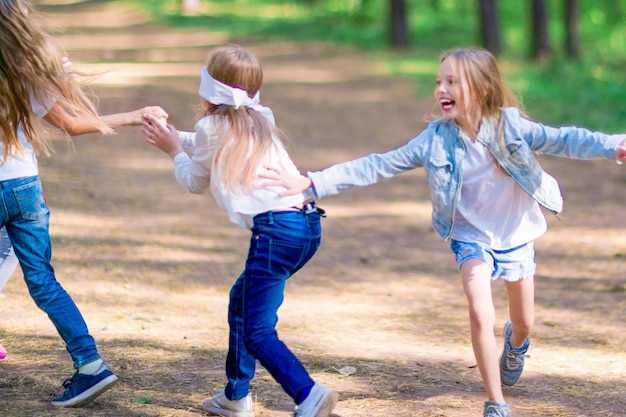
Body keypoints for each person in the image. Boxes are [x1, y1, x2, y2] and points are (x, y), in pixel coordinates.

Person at [261, 48, 626, 417]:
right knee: (480, 313)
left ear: (482, 88)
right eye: (439, 81)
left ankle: (517, 345)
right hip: (471, 237)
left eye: (452, 81)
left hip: (515, 235)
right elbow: (378, 165)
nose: (441, 89)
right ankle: (496, 402)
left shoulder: (511, 126)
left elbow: (564, 139)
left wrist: (612, 144)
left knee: (524, 321)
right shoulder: (434, 139)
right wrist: (312, 182)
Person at [141, 44, 338, 417]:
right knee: (241, 302)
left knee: (257, 330)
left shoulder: (212, 126)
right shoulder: (258, 116)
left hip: (275, 232)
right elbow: (208, 144)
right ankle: (235, 395)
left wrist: (171, 149)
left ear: (207, 89)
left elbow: (193, 180)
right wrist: (173, 136)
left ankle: (308, 393)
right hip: (306, 225)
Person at [0, 0, 168, 407]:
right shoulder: (28, 74)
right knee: (43, 281)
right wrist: (133, 115)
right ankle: (90, 365)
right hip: (23, 185)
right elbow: (73, 124)